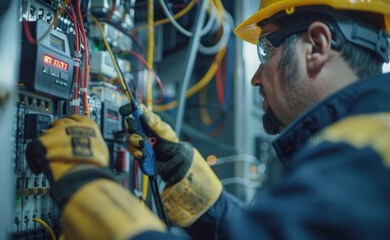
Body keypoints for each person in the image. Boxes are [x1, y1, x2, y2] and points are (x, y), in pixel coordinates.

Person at [25, 0, 390, 239]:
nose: (255, 77)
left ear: (317, 46)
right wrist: (198, 192)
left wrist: (85, 179)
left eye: (266, 50)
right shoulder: (364, 149)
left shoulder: (368, 159)